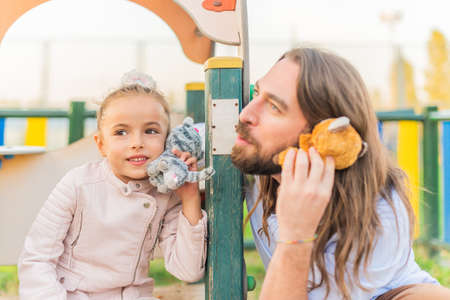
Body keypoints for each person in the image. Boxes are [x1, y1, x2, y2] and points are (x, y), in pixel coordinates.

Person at [231, 48, 450, 299]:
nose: (246, 114)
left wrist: (296, 234)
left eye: (274, 107)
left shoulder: (379, 217)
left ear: (323, 137)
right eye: (257, 93)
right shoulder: (260, 155)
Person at [18, 71, 207, 300]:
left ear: (167, 141)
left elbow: (187, 270)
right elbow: (37, 259)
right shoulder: (78, 184)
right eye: (121, 132)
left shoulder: (167, 195)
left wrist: (190, 199)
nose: (137, 143)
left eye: (150, 131)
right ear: (101, 144)